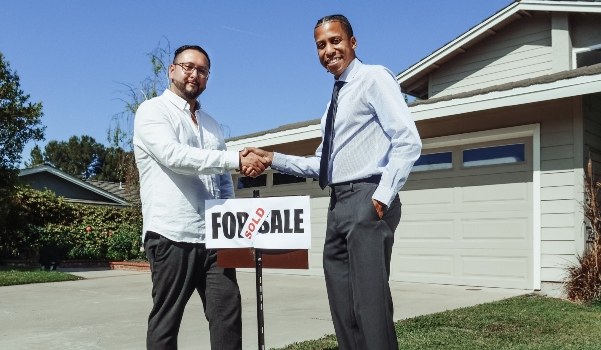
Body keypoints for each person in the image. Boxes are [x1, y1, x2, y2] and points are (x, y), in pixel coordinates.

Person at [243, 14, 421, 350]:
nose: (328, 50)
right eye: (321, 45)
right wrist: (272, 159)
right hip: (338, 204)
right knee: (343, 307)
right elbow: (321, 164)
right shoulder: (332, 105)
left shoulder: (373, 78)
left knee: (370, 307)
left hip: (366, 198)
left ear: (352, 43)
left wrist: (381, 197)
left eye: (335, 41)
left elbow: (408, 141)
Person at [133, 44, 269, 350]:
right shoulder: (152, 111)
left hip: (214, 238)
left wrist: (232, 228)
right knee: (166, 321)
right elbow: (174, 156)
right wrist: (235, 160)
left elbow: (222, 182)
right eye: (188, 66)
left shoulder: (211, 125)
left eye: (202, 70)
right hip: (171, 234)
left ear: (208, 78)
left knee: (227, 313)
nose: (195, 74)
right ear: (172, 70)